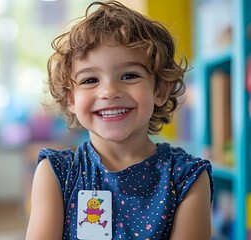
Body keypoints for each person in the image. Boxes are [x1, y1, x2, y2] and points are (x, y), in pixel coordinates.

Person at [25, 1, 213, 240]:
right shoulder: (56, 173)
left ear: (160, 90)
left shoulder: (187, 177)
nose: (109, 91)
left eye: (129, 75)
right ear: (71, 98)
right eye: (90, 80)